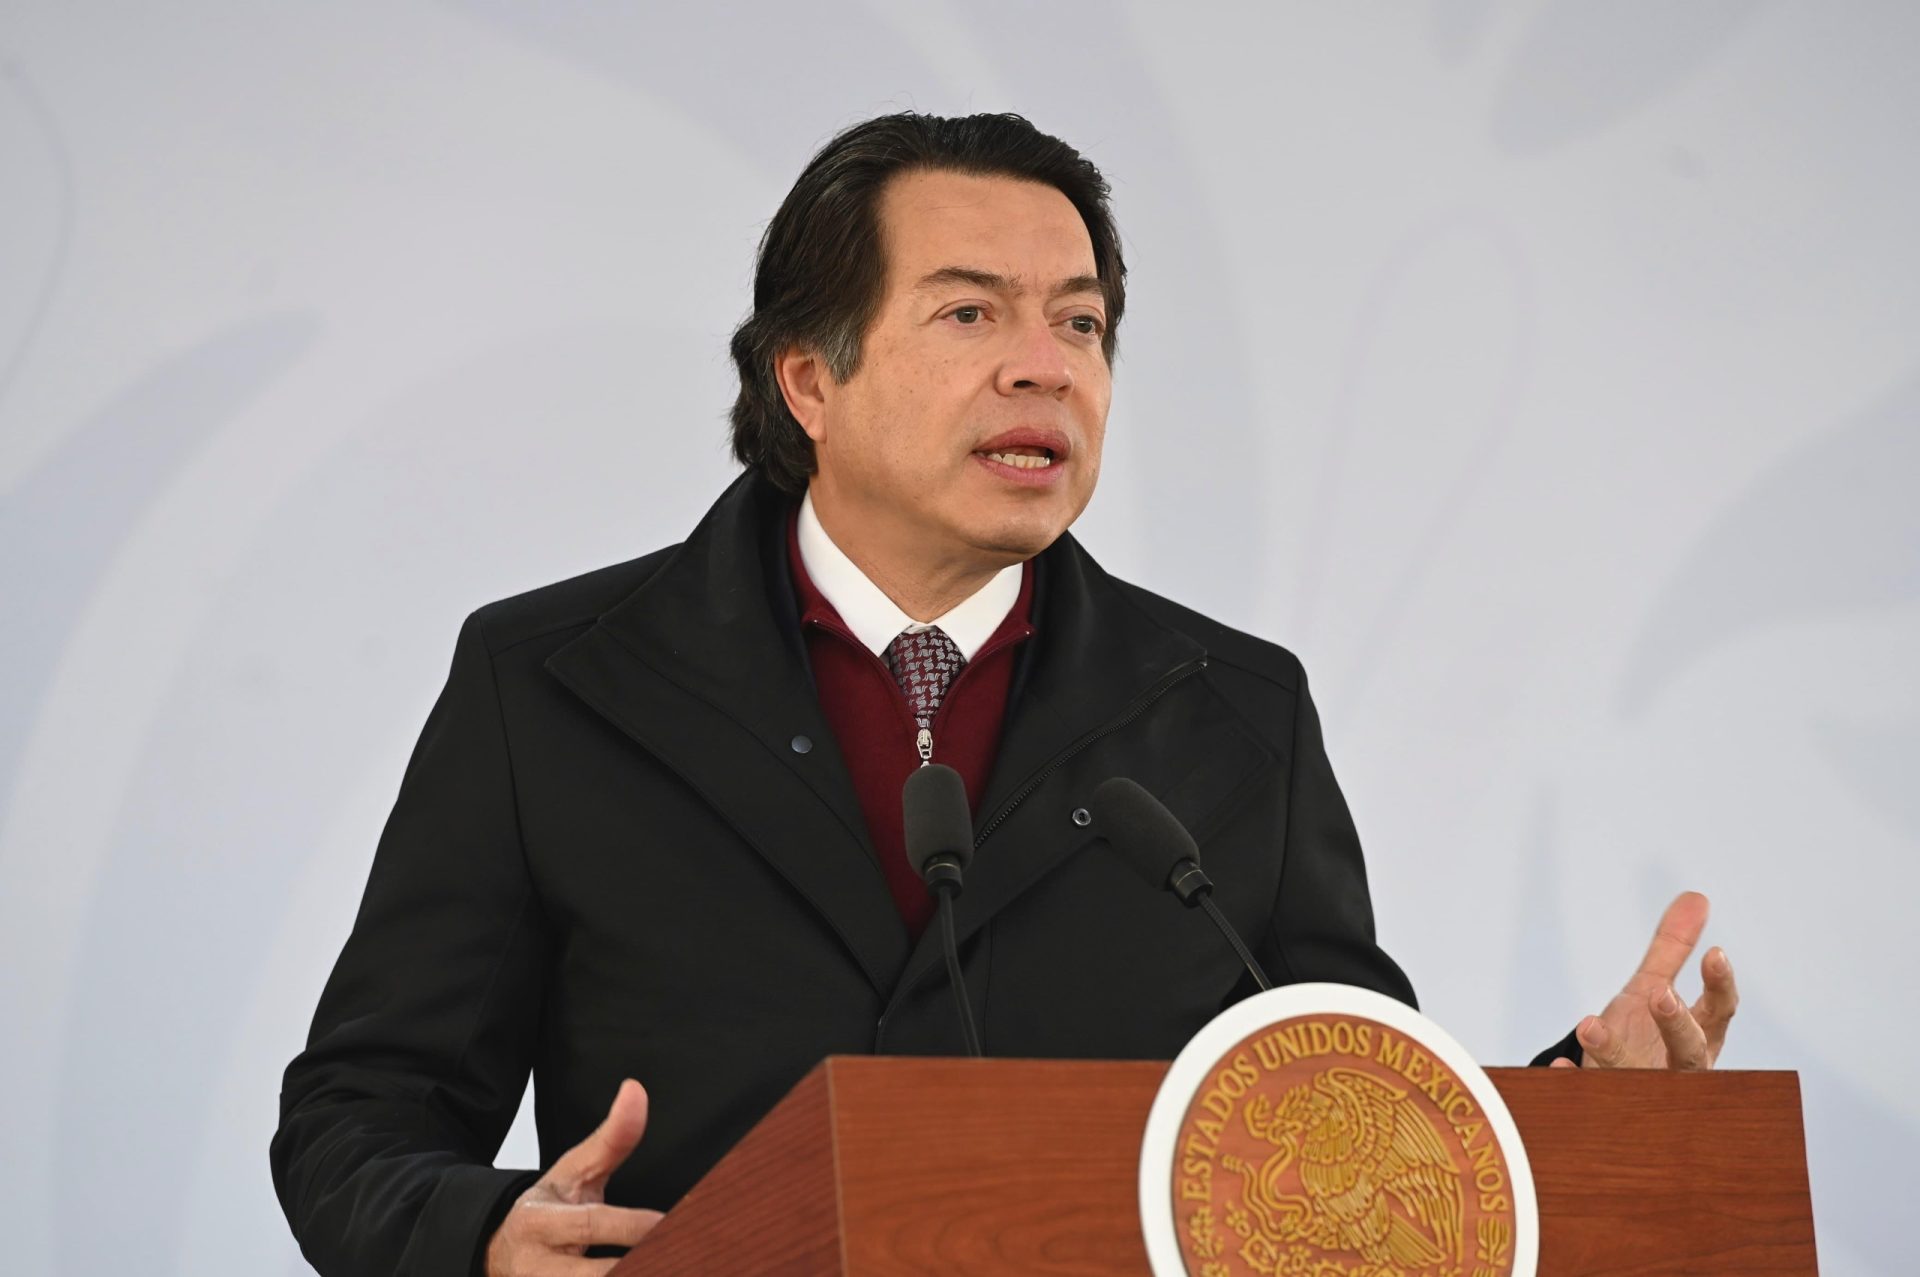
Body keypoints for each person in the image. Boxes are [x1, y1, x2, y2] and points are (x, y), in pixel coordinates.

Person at [271, 113, 1740, 1277]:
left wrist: (1578, 1100)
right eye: (971, 315)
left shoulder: (1236, 714)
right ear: (808, 380)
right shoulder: (555, 684)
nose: (1045, 369)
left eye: (1081, 324)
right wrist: (484, 1235)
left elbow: (1341, 1118)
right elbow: (360, 1115)